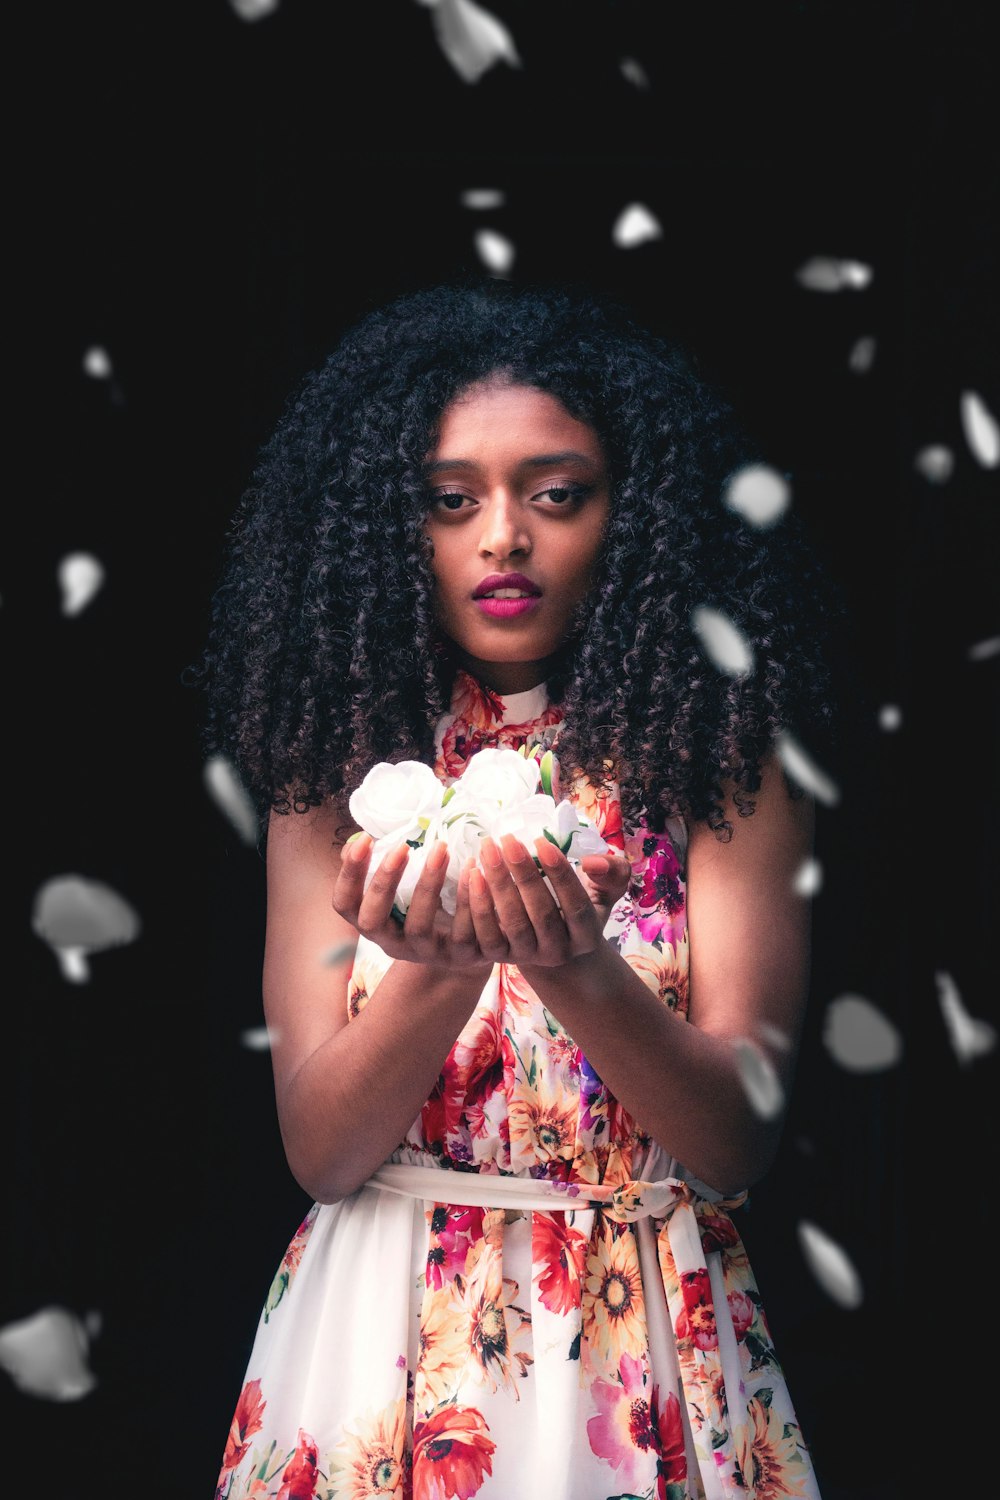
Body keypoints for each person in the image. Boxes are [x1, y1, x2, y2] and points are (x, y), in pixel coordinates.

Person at [195, 274, 844, 1500]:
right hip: (381, 1342)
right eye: (451, 501)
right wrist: (437, 974)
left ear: (632, 513)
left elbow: (733, 1138)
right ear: (395, 526)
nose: (502, 536)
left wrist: (573, 966)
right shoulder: (328, 759)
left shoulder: (721, 756)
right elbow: (320, 1151)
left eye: (556, 495)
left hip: (642, 1338)